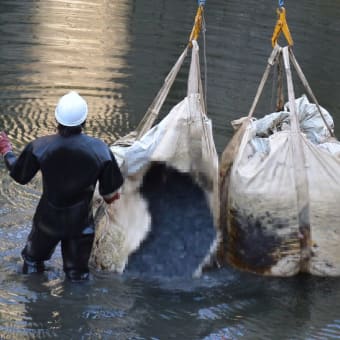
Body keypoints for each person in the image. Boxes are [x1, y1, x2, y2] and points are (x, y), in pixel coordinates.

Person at [0, 91, 124, 282]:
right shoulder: (101, 151)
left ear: (56, 119)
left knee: (32, 263)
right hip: (80, 225)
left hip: (46, 222)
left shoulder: (39, 146)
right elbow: (110, 195)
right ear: (85, 121)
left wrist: (6, 150)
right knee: (77, 277)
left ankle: (35, 307)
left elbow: (20, 176)